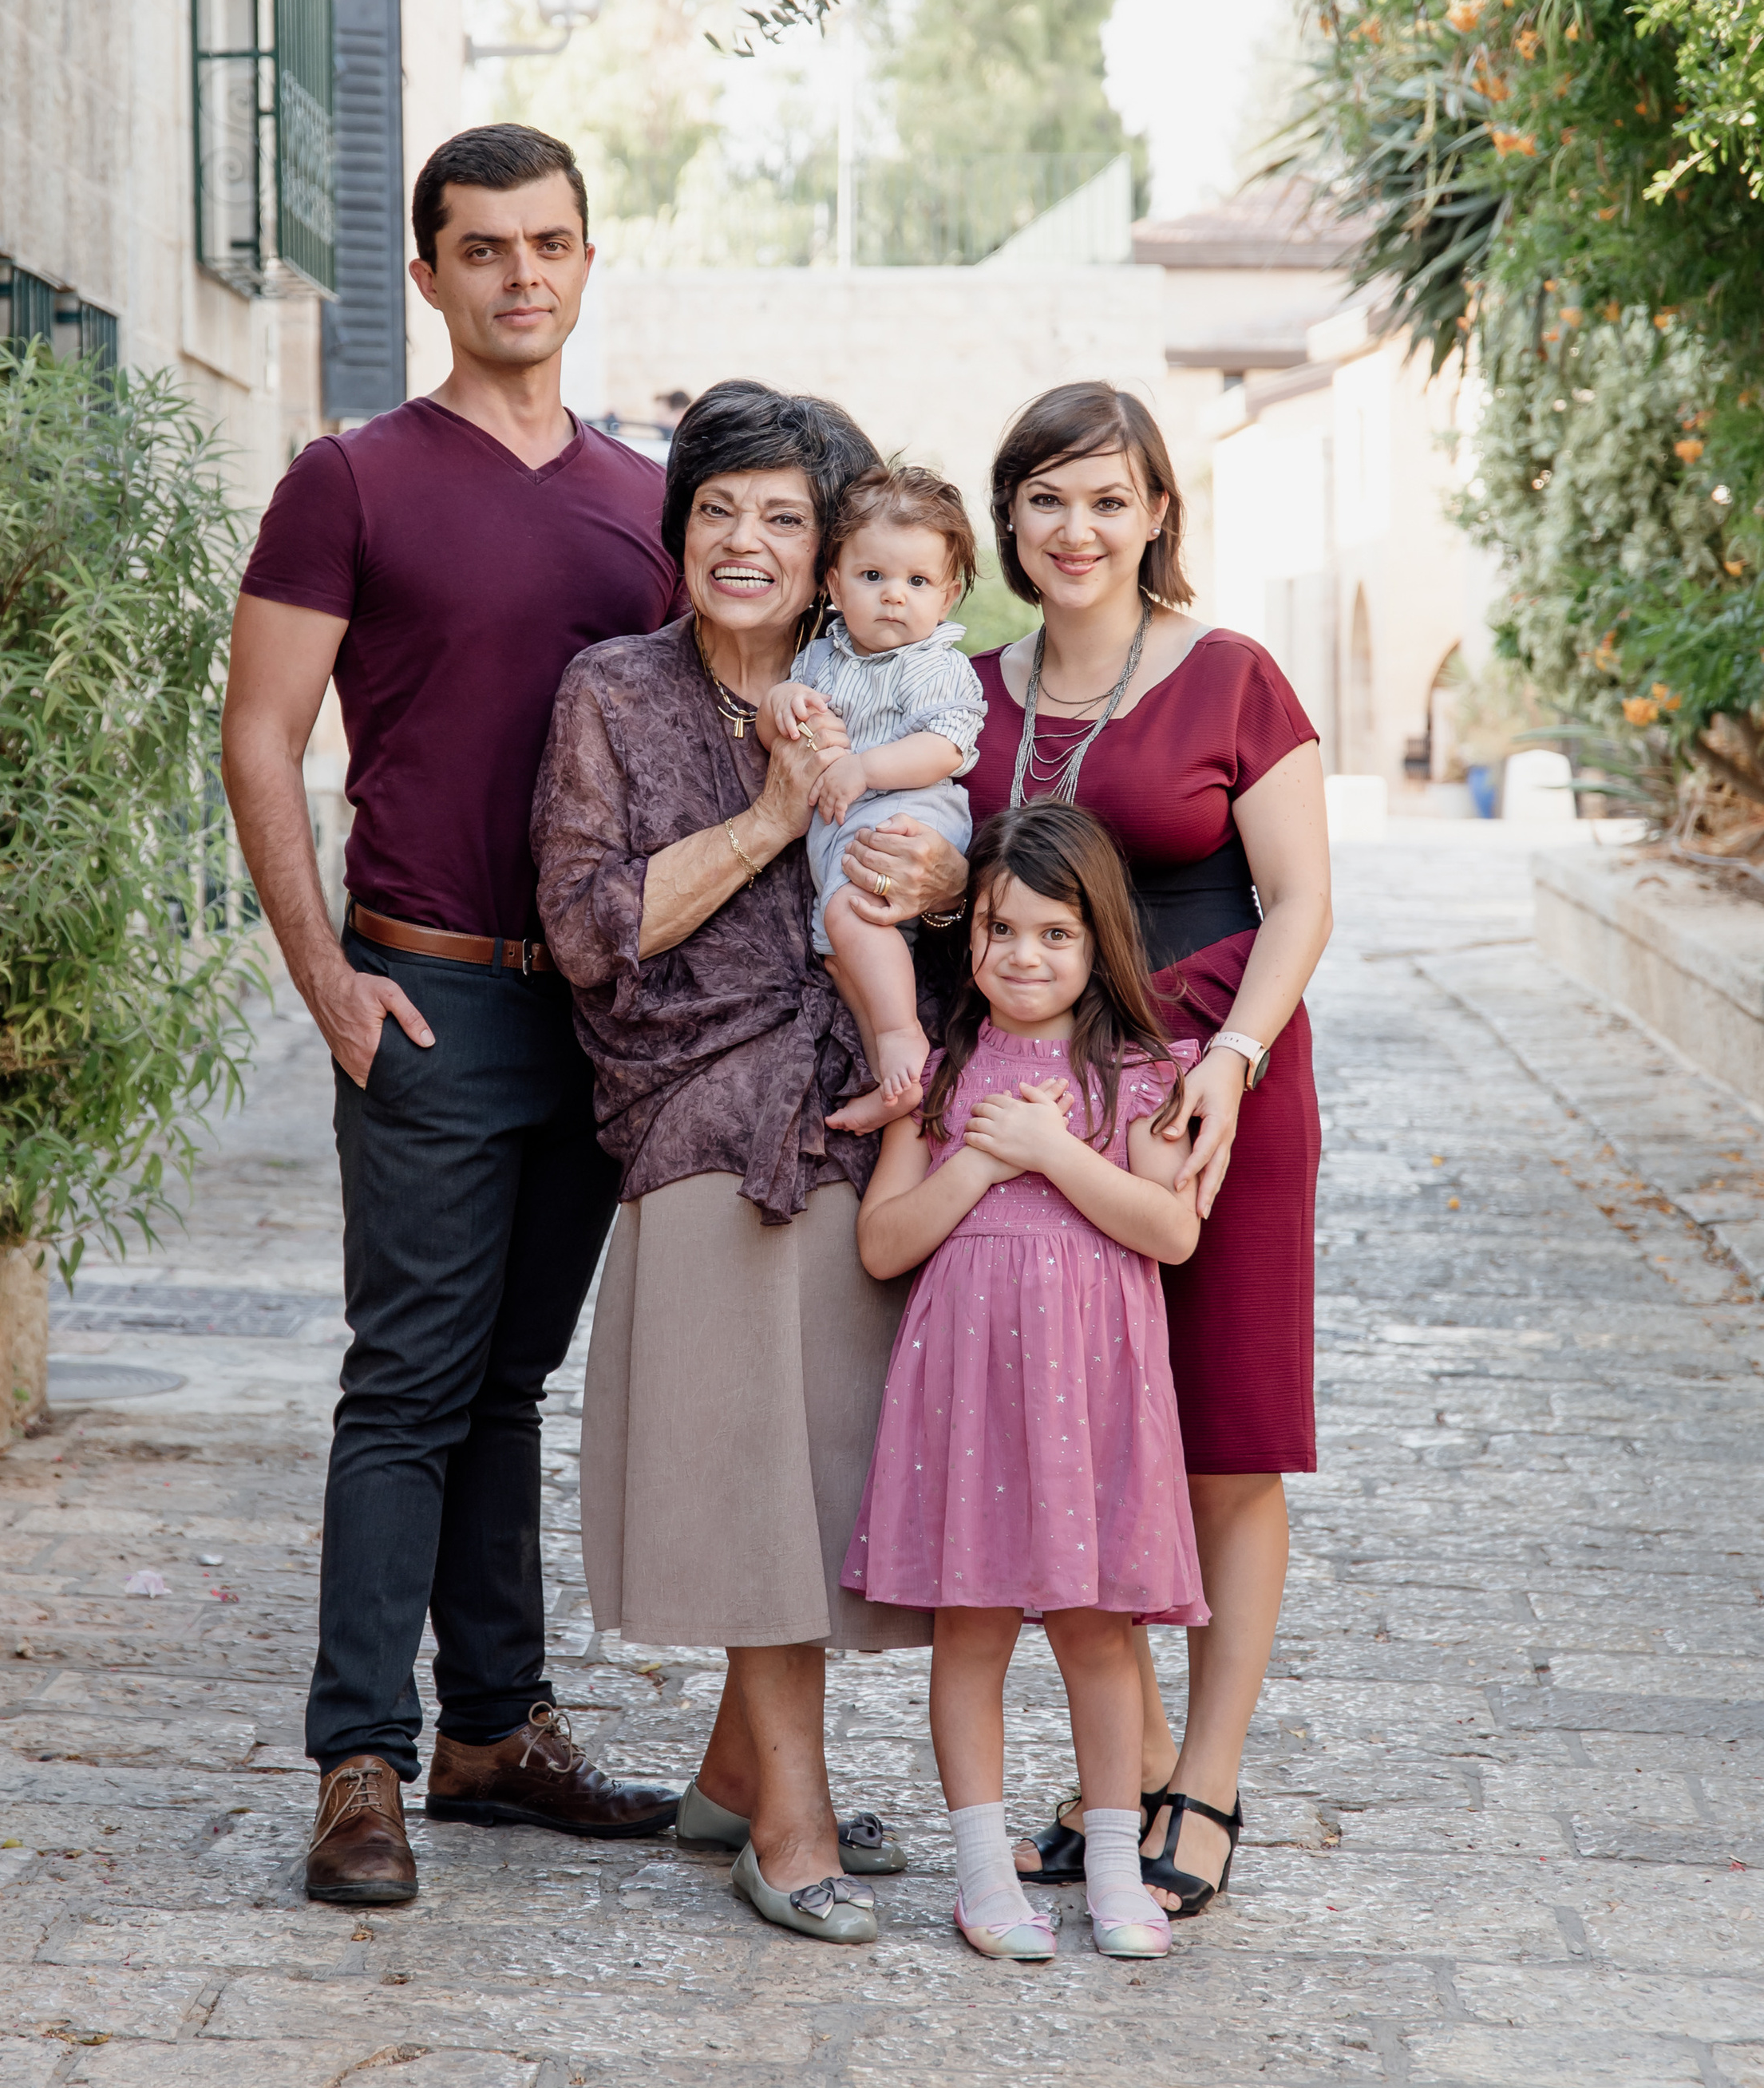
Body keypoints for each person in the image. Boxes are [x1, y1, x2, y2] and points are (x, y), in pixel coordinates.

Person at [220, 122, 683, 1911]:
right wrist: (324, 978)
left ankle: (497, 1729)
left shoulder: (646, 509)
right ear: (425, 275)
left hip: (587, 1016)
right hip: (418, 994)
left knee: (508, 1383)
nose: (517, 275)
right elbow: (262, 731)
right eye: (479, 248)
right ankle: (362, 1761)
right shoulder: (351, 479)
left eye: (546, 243)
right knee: (405, 1386)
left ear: (585, 261)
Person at [837, 381, 1331, 1918]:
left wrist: (1233, 1067)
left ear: (1158, 513)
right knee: (1093, 1426)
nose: (1078, 527)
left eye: (1109, 497)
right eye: (1047, 498)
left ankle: (1209, 1783)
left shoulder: (1234, 674)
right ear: (1010, 520)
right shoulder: (970, 694)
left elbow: (1301, 903)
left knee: (1222, 1442)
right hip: (1039, 1091)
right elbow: (960, 892)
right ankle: (1129, 1761)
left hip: (1209, 1081)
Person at [532, 381, 931, 1953]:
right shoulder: (613, 694)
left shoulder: (888, 684)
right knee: (755, 1472)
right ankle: (791, 1817)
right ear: (676, 526)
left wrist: (942, 860)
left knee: (816, 1467)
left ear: (830, 544)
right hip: (694, 1111)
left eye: (782, 516)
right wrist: (776, 812)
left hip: (847, 1107)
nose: (746, 542)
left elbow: (957, 866)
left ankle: (729, 1769)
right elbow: (588, 927)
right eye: (718, 510)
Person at [845, 804, 1204, 1964]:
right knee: (976, 1628)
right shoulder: (943, 1070)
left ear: (1100, 940)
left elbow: (1170, 1226)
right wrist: (986, 1156)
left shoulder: (1142, 1073)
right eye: (1002, 927)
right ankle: (986, 1874)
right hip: (973, 1401)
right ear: (973, 936)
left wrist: (1057, 1152)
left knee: (1101, 1632)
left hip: (1094, 1396)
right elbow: (883, 1243)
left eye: (1056, 932)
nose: (1025, 954)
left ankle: (1111, 1862)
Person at [755, 464, 984, 1132]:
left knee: (856, 913)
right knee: (837, 945)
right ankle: (898, 1070)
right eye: (873, 577)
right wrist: (780, 703)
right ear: (832, 583)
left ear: (947, 596)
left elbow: (946, 745)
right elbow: (777, 733)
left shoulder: (934, 663)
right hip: (842, 828)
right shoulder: (822, 658)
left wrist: (863, 767)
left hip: (907, 813)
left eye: (917, 582)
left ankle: (901, 1036)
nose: (893, 597)